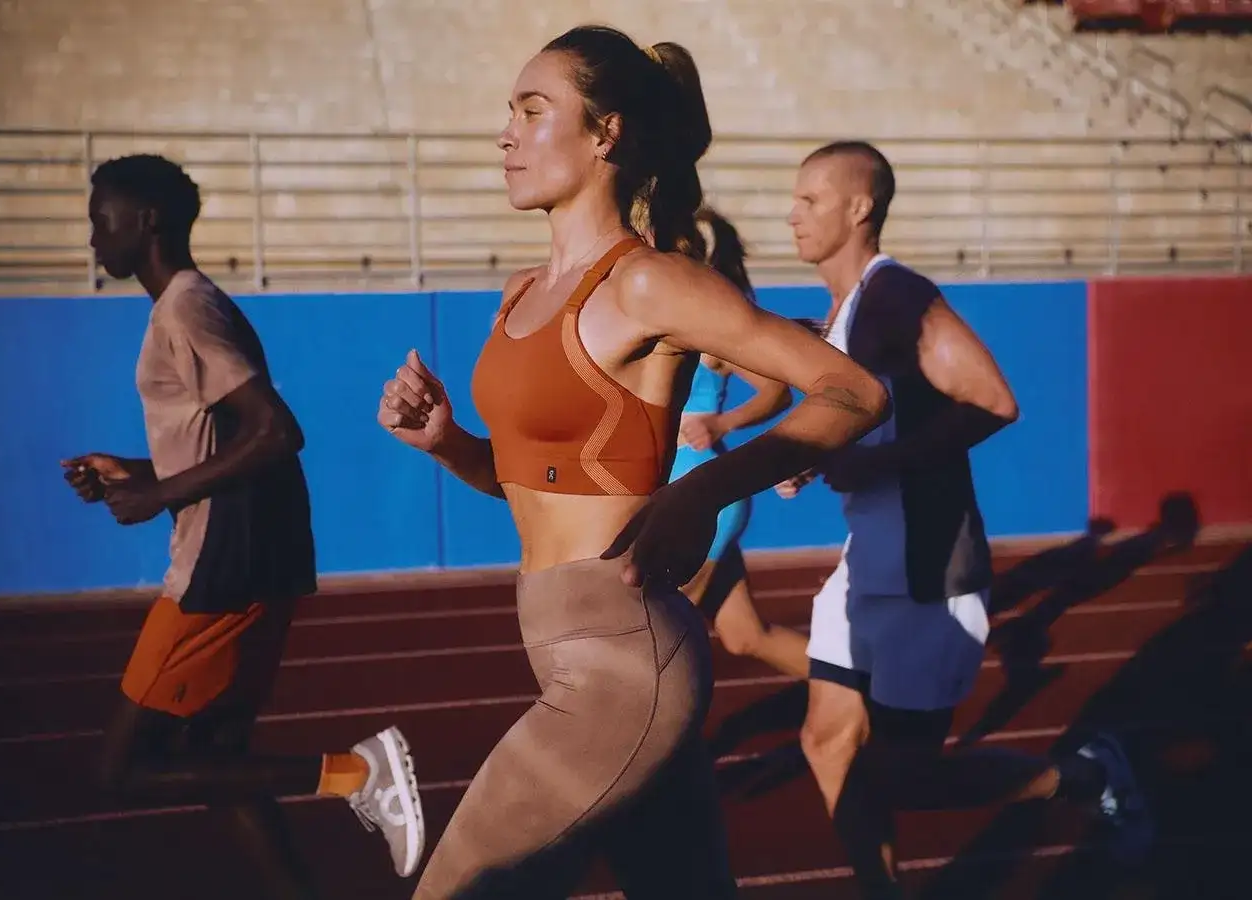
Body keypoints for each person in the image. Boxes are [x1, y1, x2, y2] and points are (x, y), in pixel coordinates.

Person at [376, 25, 890, 899]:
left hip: (620, 662)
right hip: (576, 642)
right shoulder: (521, 295)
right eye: (509, 112)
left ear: (605, 134)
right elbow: (535, 482)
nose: (507, 133)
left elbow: (854, 393)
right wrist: (449, 444)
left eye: (533, 112)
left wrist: (702, 494)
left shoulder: (648, 283)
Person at [778, 141, 1152, 898]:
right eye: (794, 199)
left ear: (860, 209)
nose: (792, 214)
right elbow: (875, 426)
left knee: (905, 777)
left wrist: (871, 465)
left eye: (810, 200)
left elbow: (992, 398)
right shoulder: (847, 311)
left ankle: (1086, 774)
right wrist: (823, 457)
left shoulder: (895, 294)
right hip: (871, 560)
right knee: (826, 742)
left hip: (927, 567)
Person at [62, 154, 425, 898]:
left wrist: (160, 489)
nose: (94, 239)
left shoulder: (186, 308)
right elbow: (224, 437)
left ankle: (356, 773)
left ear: (146, 222)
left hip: (219, 569)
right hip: (249, 556)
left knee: (121, 767)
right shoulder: (190, 305)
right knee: (220, 758)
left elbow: (274, 431)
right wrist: (137, 472)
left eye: (102, 221)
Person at [669, 206, 809, 680]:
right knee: (745, 635)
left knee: (660, 629)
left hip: (704, 492)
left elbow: (777, 390)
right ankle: (859, 690)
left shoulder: (712, 333)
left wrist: (721, 423)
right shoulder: (667, 321)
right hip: (684, 491)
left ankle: (670, 752)